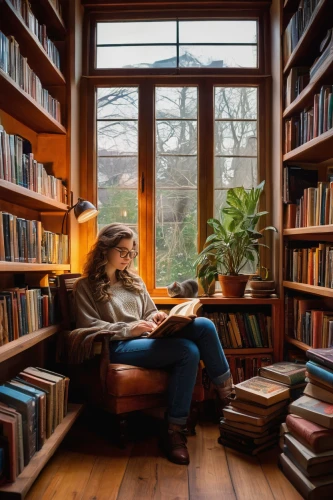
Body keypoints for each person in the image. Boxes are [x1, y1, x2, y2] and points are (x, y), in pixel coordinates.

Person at [74, 223, 233, 465]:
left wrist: (156, 318)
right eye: (123, 251)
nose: (128, 258)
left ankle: (228, 399)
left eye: (132, 252)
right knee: (186, 350)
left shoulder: (134, 282)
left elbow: (149, 312)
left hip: (146, 340)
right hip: (118, 347)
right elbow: (87, 325)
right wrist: (129, 329)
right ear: (105, 248)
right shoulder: (84, 286)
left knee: (204, 327)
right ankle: (174, 433)